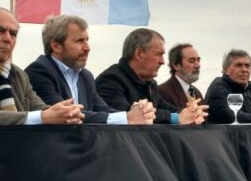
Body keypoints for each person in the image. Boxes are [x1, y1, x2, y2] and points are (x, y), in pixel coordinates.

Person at [25, 15, 155, 124]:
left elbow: (102, 109)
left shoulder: (85, 76)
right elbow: (66, 115)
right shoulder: (39, 72)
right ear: (56, 46)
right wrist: (126, 118)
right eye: (80, 41)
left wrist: (135, 113)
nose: (87, 48)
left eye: (87, 40)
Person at [0, 6, 84, 125]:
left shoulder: (18, 74)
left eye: (13, 33)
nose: (8, 39)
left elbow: (42, 110)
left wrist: (65, 114)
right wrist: (44, 117)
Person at [95, 28, 207, 124]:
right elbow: (130, 117)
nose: (163, 61)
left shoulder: (150, 83)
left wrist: (189, 112)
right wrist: (176, 118)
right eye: (159, 54)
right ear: (139, 54)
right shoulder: (110, 81)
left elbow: (165, 108)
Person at [159, 43, 205, 110]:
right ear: (176, 65)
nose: (198, 65)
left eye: (198, 60)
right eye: (191, 61)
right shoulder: (162, 92)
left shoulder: (197, 93)